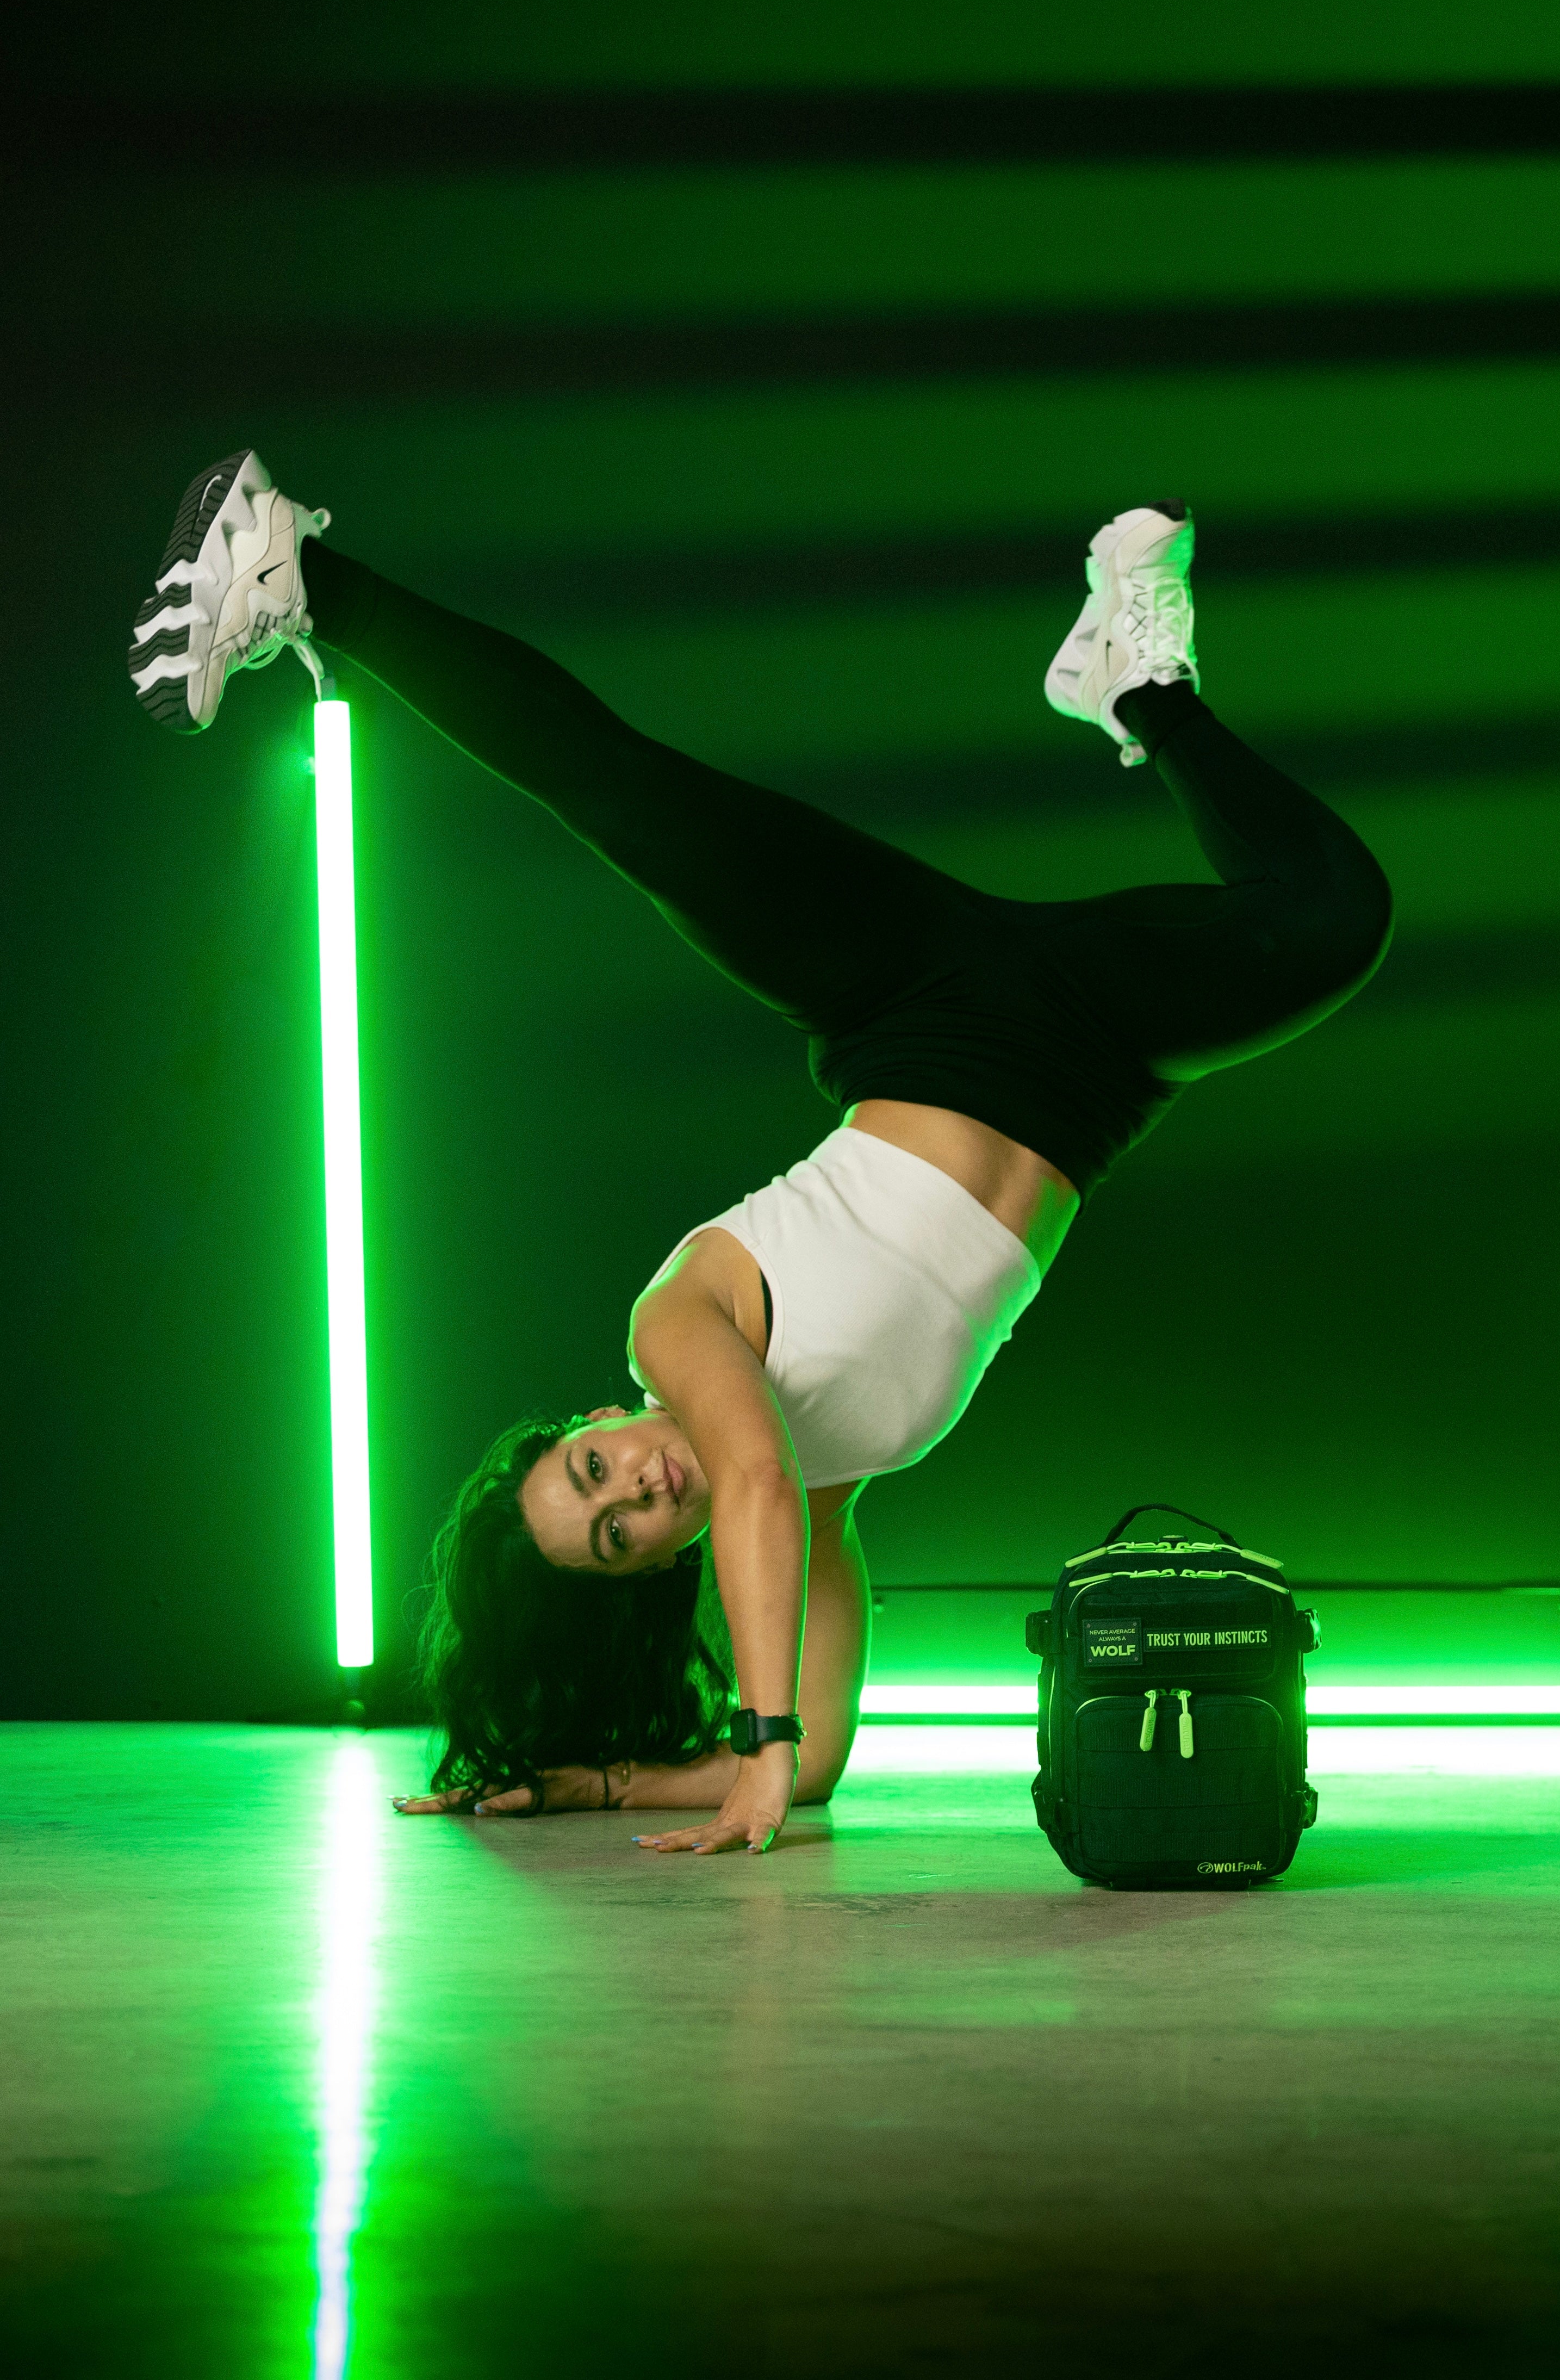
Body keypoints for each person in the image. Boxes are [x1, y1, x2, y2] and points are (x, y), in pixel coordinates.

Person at [129, 454, 1393, 1854]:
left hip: (907, 1001)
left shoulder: (674, 1326)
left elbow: (750, 1506)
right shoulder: (825, 1488)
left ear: (594, 1423)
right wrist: (601, 1784)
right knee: (1339, 914)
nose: (636, 1489)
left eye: (594, 1473)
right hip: (1092, 1063)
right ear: (652, 1570)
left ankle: (300, 572)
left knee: (625, 797)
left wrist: (758, 1741)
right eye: (618, 1534)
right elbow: (822, 1766)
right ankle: (1139, 689)